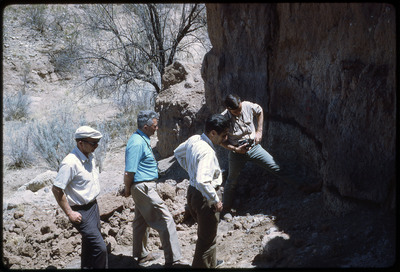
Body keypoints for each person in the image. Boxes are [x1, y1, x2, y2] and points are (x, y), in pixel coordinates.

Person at [123, 110, 188, 268]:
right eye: (155, 126)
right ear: (146, 127)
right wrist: (127, 189)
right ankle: (173, 260)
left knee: (140, 221)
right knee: (166, 220)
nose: (157, 128)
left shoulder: (141, 139)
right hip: (143, 187)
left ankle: (141, 255)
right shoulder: (137, 142)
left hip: (142, 186)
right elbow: (129, 171)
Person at [220, 94, 295, 214]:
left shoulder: (247, 105)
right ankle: (226, 209)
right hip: (237, 152)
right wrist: (235, 149)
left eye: (240, 108)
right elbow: (221, 141)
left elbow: (259, 111)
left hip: (254, 148)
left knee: (276, 167)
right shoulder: (223, 119)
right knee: (231, 181)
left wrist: (259, 131)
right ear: (229, 109)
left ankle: (304, 186)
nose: (239, 112)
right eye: (235, 111)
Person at [174, 114, 229, 268]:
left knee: (207, 235)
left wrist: (191, 170)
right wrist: (215, 200)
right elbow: (202, 180)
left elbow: (178, 153)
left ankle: (211, 263)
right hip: (204, 197)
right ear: (213, 133)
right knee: (207, 240)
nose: (225, 139)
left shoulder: (194, 139)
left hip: (192, 192)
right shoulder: (207, 152)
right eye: (223, 135)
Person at [52, 126, 108, 269]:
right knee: (100, 248)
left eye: (97, 143)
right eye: (93, 143)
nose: (96, 146)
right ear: (80, 143)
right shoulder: (70, 163)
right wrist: (70, 213)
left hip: (93, 206)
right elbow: (57, 189)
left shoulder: (90, 155)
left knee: (89, 247)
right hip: (80, 211)